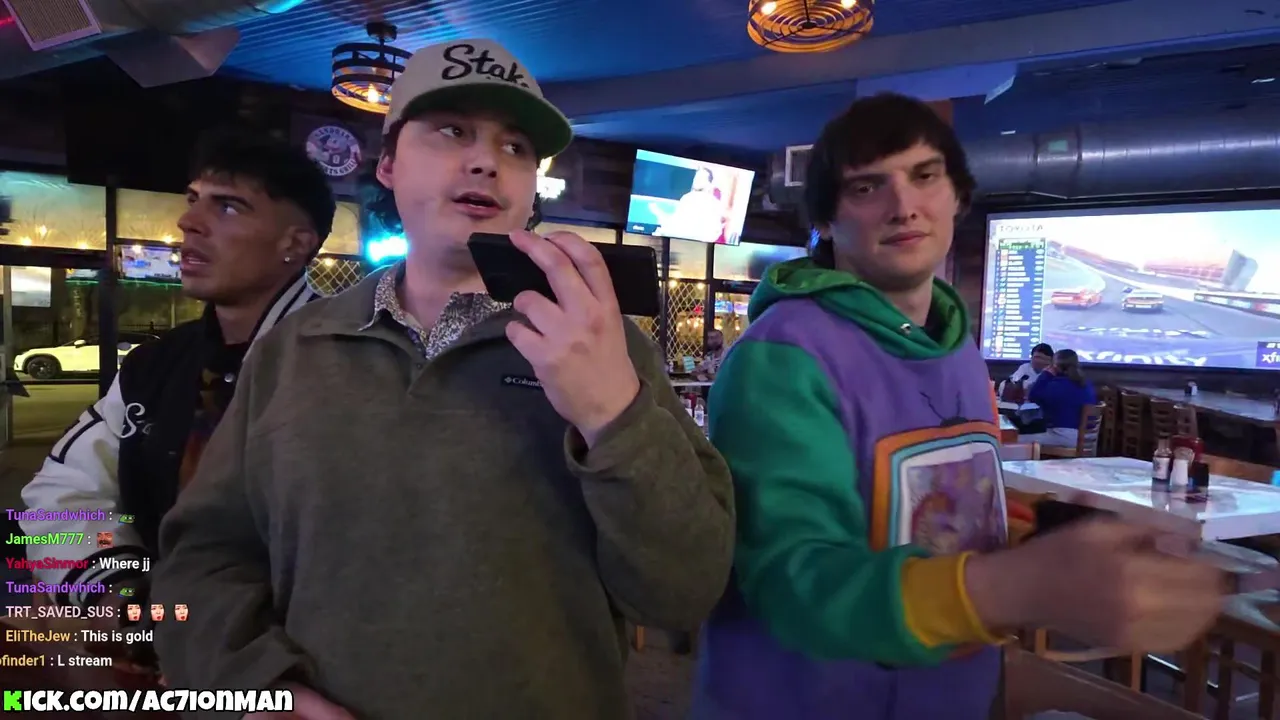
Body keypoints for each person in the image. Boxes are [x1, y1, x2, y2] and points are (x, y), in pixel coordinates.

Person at [151, 38, 734, 719]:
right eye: (452, 131)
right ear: (389, 164)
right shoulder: (295, 347)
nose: (487, 161)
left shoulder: (604, 344)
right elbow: (203, 557)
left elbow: (683, 590)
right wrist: (257, 688)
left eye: (516, 147)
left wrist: (613, 416)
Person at [691, 93, 1223, 719]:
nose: (903, 206)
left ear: (958, 199)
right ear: (828, 222)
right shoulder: (782, 355)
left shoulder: (957, 345)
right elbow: (794, 585)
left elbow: (952, 505)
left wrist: (1057, 540)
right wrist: (1020, 584)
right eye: (866, 187)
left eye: (924, 176)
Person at [18, 129, 333, 630]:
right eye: (192, 200)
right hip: (160, 648)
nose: (188, 222)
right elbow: (64, 491)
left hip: (303, 654)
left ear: (294, 243)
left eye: (227, 206)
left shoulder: (354, 361)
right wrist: (116, 591)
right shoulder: (155, 364)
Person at [1023, 348, 1097, 448]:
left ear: (1055, 366)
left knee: (1015, 439)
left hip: (1064, 437)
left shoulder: (1056, 385)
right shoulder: (1087, 383)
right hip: (1088, 438)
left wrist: (1046, 374)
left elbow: (1033, 396)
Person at [653, 165, 724, 242]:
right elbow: (676, 223)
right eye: (696, 177)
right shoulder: (687, 197)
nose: (696, 180)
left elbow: (712, 233)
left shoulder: (714, 204)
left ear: (709, 183)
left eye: (701, 178)